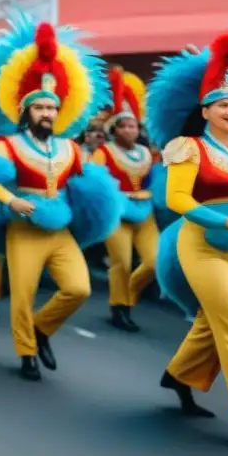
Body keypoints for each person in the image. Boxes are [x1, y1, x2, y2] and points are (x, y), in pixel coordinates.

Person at [0, 14, 121, 381]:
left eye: (53, 108)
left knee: (78, 287)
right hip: (22, 226)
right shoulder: (8, 145)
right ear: (27, 111)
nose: (47, 113)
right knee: (23, 293)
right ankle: (26, 351)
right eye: (41, 108)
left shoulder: (71, 149)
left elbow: (84, 183)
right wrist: (9, 200)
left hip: (59, 226)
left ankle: (41, 330)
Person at [149, 32, 228, 438]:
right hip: (203, 246)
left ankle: (179, 375)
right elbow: (177, 199)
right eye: (223, 104)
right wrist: (223, 221)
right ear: (206, 110)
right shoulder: (187, 148)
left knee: (225, 320)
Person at [88, 66, 158, 332]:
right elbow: (95, 183)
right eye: (124, 125)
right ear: (114, 129)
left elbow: (156, 180)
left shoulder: (146, 152)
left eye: (133, 125)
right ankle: (120, 307)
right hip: (117, 214)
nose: (130, 130)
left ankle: (126, 296)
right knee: (122, 263)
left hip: (145, 213)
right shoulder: (103, 152)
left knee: (152, 263)